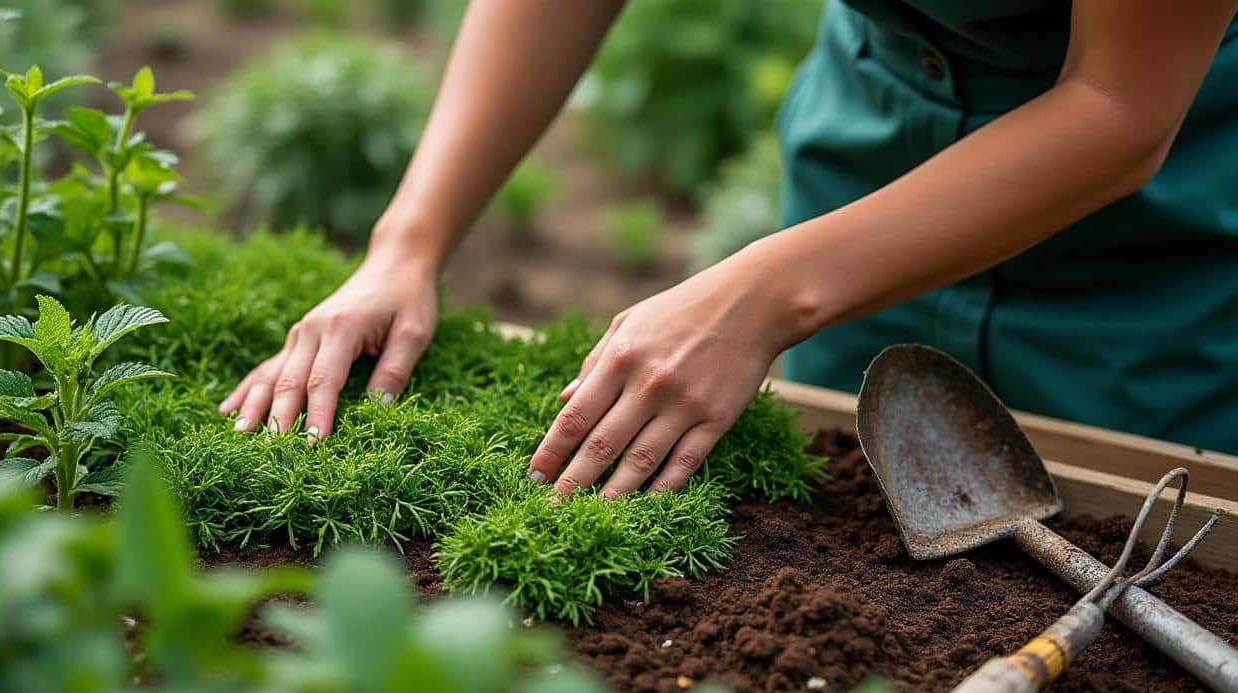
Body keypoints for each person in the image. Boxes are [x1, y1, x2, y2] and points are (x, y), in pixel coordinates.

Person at [219, 0, 1238, 501]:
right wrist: (409, 242)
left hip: (1164, 240)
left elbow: (1118, 106)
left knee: (1136, 542)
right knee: (850, 499)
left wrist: (762, 293)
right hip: (873, 155)